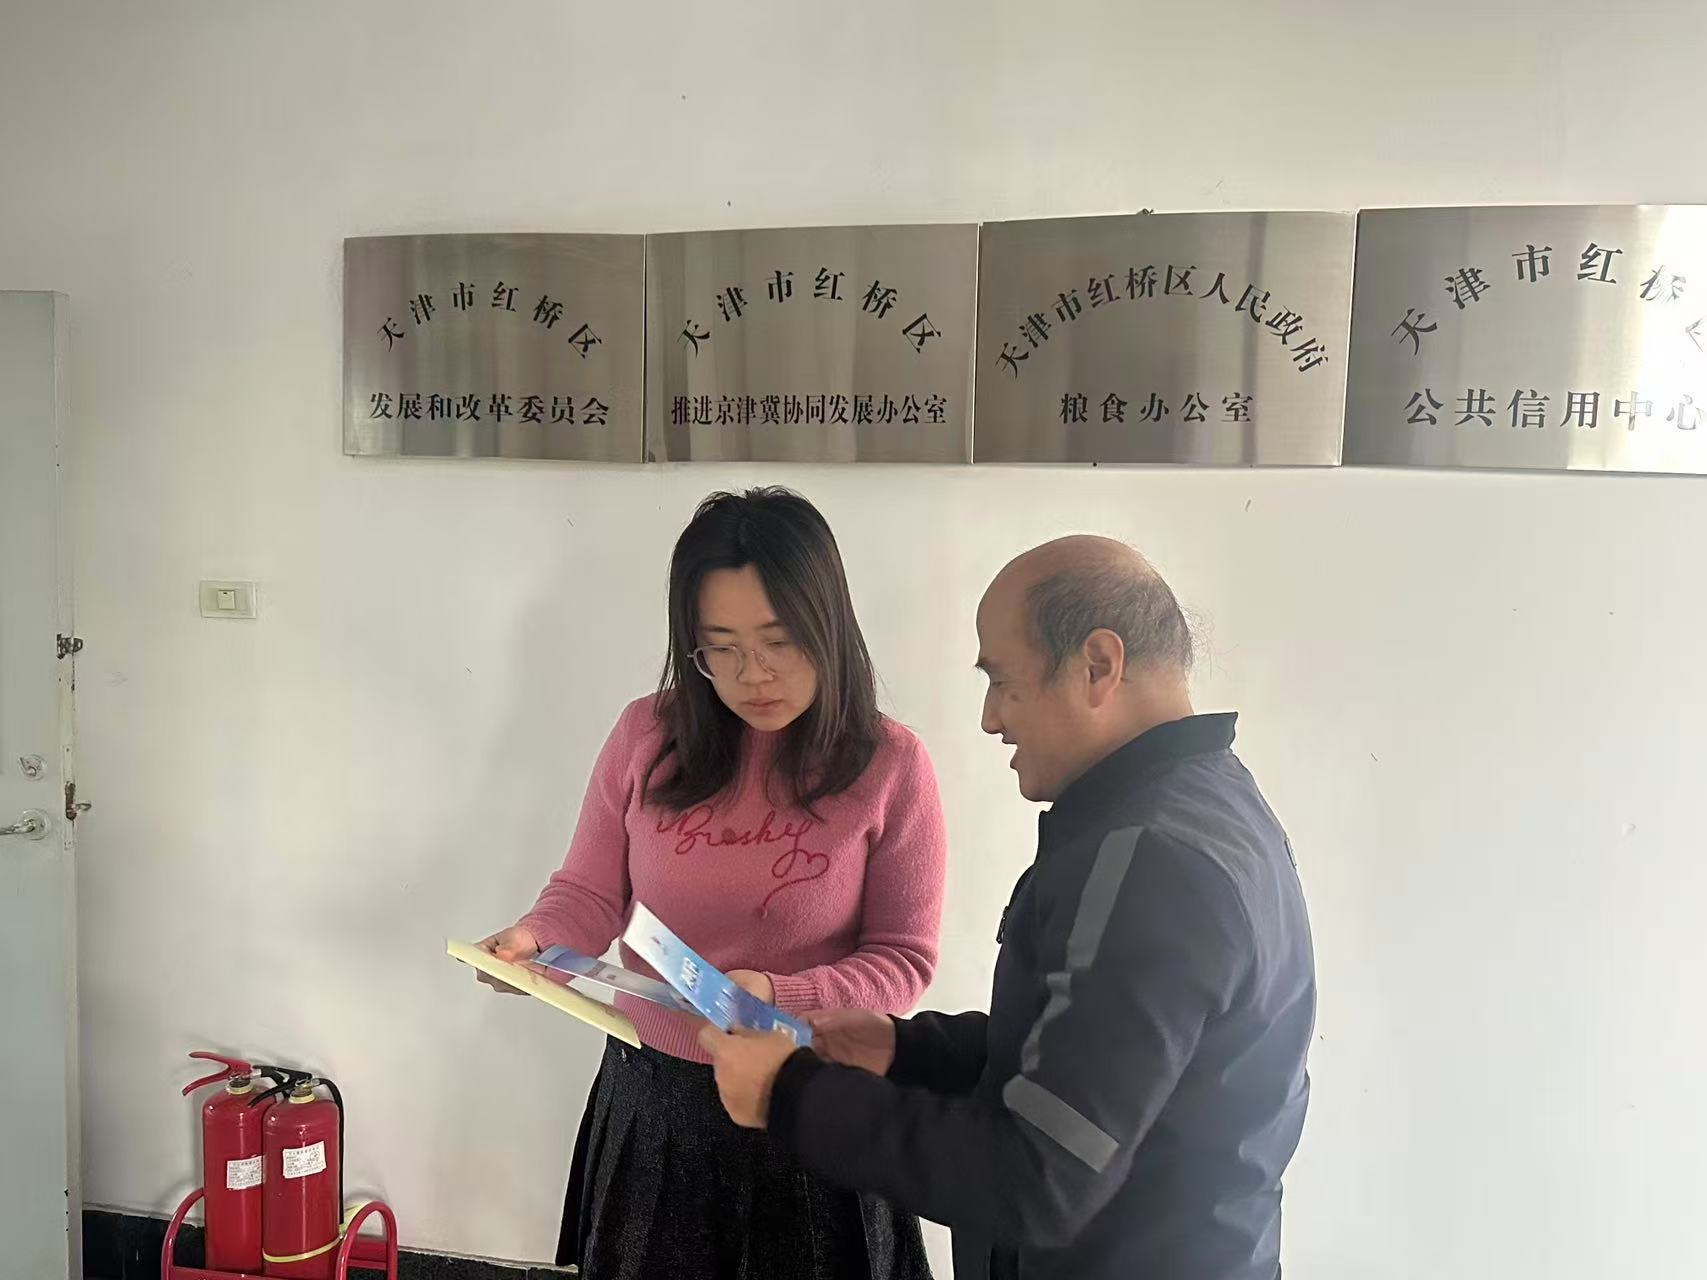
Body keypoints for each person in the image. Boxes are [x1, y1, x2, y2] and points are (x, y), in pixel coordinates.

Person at [701, 536, 1316, 1280]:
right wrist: (908, 1050)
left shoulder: (1151, 861)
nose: (992, 719)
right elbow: (1097, 1056)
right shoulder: (1210, 802)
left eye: (1002, 681)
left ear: (1097, 665)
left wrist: (790, 1096)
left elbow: (1036, 1177)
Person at [478, 487, 947, 1280]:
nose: (751, 674)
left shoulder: (889, 764)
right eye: (718, 648)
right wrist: (535, 940)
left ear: (829, 628)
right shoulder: (646, 734)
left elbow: (903, 960)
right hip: (655, 1101)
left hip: (810, 1096)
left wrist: (777, 996)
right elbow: (590, 892)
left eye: (778, 641)